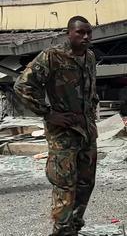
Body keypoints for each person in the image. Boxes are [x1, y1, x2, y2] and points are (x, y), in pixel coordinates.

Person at [14, 16, 98, 236]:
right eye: (80, 32)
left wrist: (91, 114)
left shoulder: (89, 57)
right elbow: (23, 86)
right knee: (64, 186)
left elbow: (91, 92)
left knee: (86, 184)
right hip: (63, 134)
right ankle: (60, 231)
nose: (86, 37)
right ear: (68, 33)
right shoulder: (52, 56)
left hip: (86, 132)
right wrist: (48, 114)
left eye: (89, 32)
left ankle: (74, 228)